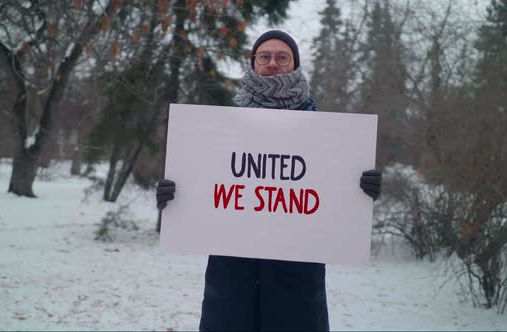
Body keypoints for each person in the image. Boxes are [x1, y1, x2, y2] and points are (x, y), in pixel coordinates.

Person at [156, 30, 382, 331]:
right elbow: (204, 191)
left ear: (295, 65)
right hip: (230, 284)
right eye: (264, 57)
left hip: (297, 286)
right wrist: (174, 194)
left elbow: (334, 200)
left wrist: (362, 187)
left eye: (282, 57)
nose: (272, 63)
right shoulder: (221, 129)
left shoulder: (324, 133)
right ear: (253, 64)